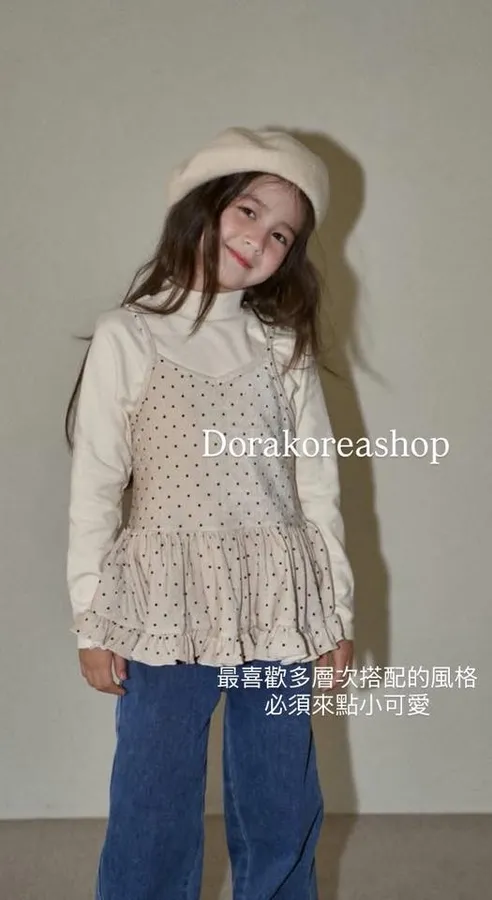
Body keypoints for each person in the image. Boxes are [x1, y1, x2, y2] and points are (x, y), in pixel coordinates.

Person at [65, 126, 355, 900]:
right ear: (203, 205)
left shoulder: (283, 346)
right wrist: (91, 621)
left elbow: (317, 483)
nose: (259, 238)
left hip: (277, 597)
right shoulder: (128, 336)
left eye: (281, 233)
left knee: (281, 793)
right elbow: (96, 485)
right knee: (153, 793)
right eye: (249, 211)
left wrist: (335, 610)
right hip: (164, 597)